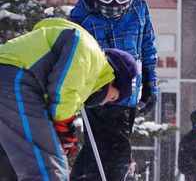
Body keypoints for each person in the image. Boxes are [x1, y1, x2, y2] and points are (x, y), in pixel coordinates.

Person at [0, 16, 137, 181]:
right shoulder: (90, 52)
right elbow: (62, 88)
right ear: (113, 78)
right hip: (16, 78)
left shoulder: (87, 73)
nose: (103, 102)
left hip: (11, 79)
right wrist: (63, 125)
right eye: (113, 97)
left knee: (10, 164)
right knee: (47, 167)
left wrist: (61, 128)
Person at [67, 0, 159, 181]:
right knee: (114, 149)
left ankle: (89, 176)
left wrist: (150, 83)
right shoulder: (82, 16)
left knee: (105, 149)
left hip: (129, 93)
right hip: (99, 92)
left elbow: (147, 45)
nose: (115, 3)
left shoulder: (139, 7)